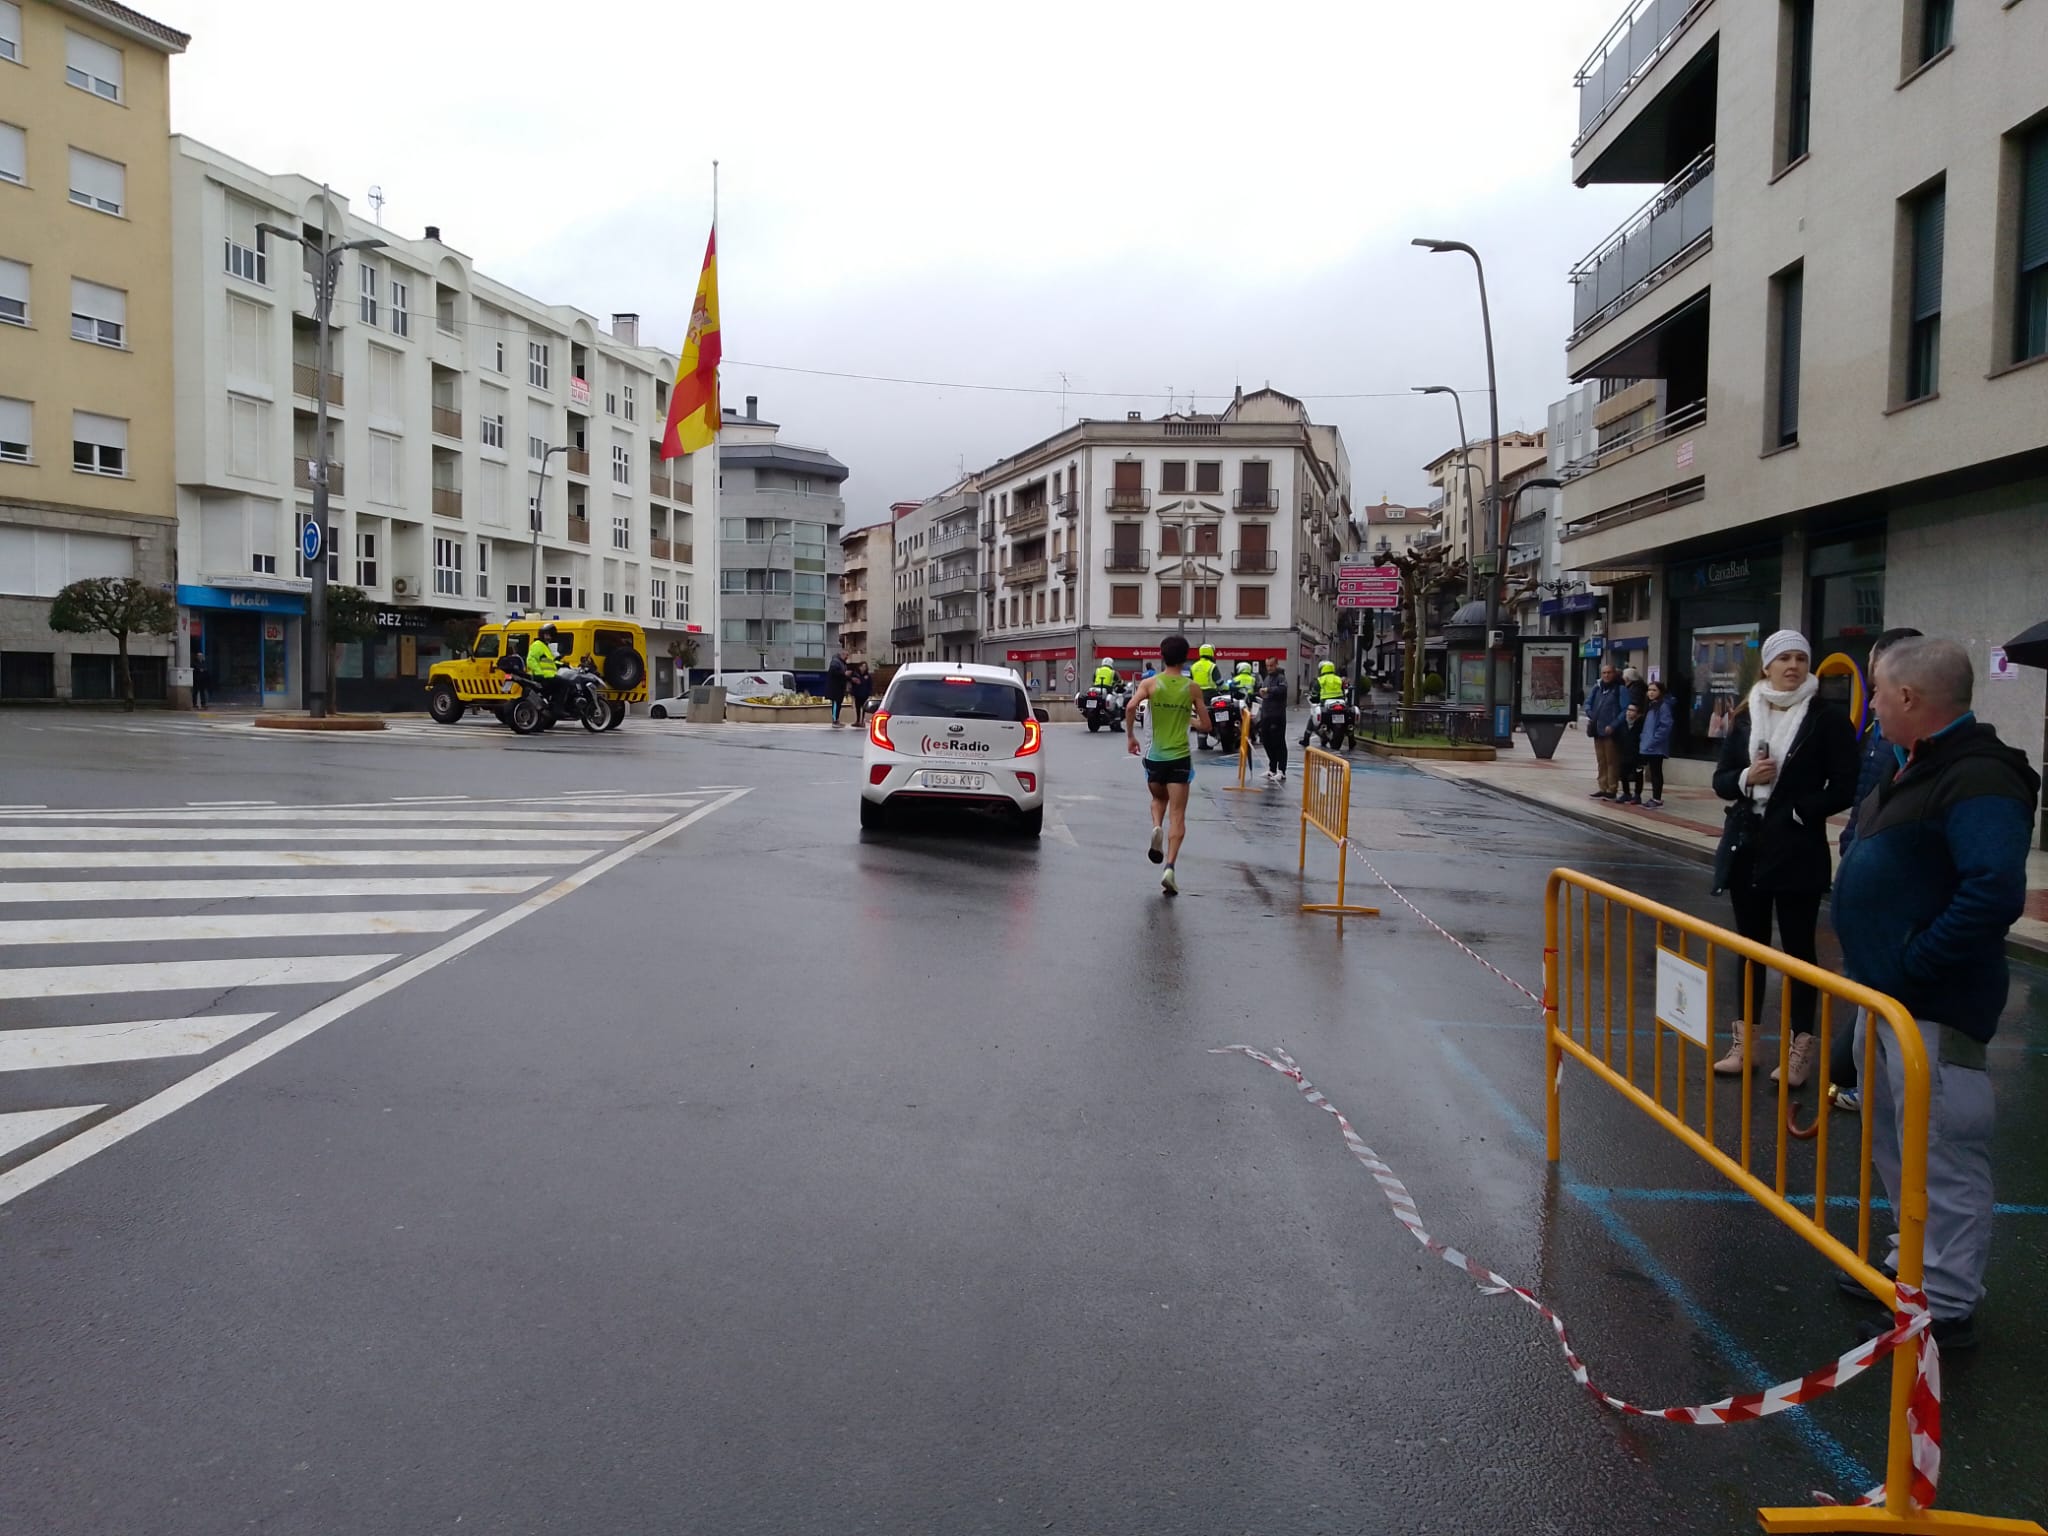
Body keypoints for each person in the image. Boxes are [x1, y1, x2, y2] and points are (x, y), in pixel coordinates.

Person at [1831, 637, 2038, 1349]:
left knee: (1946, 1148)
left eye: (1880, 696)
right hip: (1889, 996)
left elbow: (1992, 891)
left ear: (1911, 699)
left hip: (1933, 1003)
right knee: (1897, 1141)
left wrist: (1917, 962)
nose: (1874, 709)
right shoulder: (1914, 764)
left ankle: (1945, 1303)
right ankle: (1909, 1267)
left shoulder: (1981, 777)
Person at [1709, 629, 1859, 1088]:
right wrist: (1746, 778)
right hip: (1747, 845)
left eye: (1800, 658)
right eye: (1784, 659)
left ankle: (1800, 1050)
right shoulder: (1744, 715)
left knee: (1799, 953)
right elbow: (1720, 780)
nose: (1793, 666)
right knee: (1750, 947)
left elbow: (1845, 785)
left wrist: (1799, 808)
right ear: (1767, 666)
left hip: (1797, 848)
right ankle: (1744, 1045)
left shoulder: (1826, 718)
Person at [1125, 634, 1212, 897]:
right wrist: (1190, 721)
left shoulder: (1151, 684)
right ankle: (1170, 867)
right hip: (1179, 759)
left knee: (1157, 798)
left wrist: (1130, 736)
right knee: (1178, 814)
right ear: (1186, 658)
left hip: (1155, 757)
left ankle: (1155, 827)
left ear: (1161, 656)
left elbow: (1130, 706)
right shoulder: (1191, 688)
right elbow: (1207, 725)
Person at [1583, 662, 1628, 799]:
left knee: (1612, 761)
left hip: (1611, 732)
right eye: (1604, 673)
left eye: (1609, 672)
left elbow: (1625, 709)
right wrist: (1591, 713)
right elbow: (1587, 703)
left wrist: (1613, 725)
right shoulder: (1597, 688)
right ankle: (1602, 786)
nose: (1606, 675)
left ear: (1614, 674)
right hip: (1598, 730)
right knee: (1601, 760)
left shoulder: (1620, 689)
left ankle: (1612, 788)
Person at [1636, 679, 1674, 808]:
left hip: (1656, 746)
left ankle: (1657, 798)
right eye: (1649, 690)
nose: (1651, 693)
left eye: (1654, 690)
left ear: (1660, 692)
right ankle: (1654, 797)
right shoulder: (1651, 705)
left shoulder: (1663, 706)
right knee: (1652, 771)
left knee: (1656, 772)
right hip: (1648, 744)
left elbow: (1665, 726)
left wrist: (1654, 740)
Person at [1257, 663, 1289, 783]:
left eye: (1271, 665)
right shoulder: (1267, 678)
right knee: (1266, 741)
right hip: (1266, 714)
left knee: (1278, 742)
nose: (1269, 668)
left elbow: (1282, 689)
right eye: (1267, 666)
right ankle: (1272, 768)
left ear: (1276, 665)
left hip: (1277, 715)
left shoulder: (1281, 677)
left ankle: (1281, 771)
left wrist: (1269, 690)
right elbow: (1264, 692)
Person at [1301, 660, 1345, 746]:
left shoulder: (1320, 680)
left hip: (1326, 703)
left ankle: (1306, 739)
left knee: (1312, 717)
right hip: (1340, 703)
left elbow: (1315, 694)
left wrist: (1313, 698)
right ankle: (1351, 739)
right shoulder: (1338, 679)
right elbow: (1343, 692)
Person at [526, 623, 566, 714]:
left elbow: (549, 661)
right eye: (547, 635)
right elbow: (531, 660)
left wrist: (562, 664)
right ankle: (558, 709)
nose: (549, 637)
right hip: (545, 676)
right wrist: (539, 673)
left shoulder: (545, 646)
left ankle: (551, 707)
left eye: (550, 635)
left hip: (548, 675)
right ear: (542, 634)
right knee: (564, 684)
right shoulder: (538, 645)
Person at [1189, 644, 1220, 748]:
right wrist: (1226, 688)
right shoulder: (1212, 666)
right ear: (1211, 652)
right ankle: (1216, 731)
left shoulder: (1194, 666)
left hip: (1196, 695)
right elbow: (1219, 682)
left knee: (1200, 717)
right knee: (1216, 713)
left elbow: (1190, 681)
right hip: (1211, 694)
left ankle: (1202, 743)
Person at [1617, 702, 1645, 804]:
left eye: (1632, 710)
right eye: (1628, 710)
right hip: (1625, 753)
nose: (1629, 712)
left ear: (1638, 713)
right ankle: (1626, 793)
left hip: (1637, 754)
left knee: (1638, 774)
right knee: (1623, 774)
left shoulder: (1641, 724)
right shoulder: (1623, 723)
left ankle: (1637, 795)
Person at [825, 649, 849, 727]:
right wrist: (844, 673)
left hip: (840, 687)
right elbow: (833, 672)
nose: (847, 657)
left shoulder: (842, 663)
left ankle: (837, 719)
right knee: (835, 704)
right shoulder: (835, 662)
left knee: (838, 704)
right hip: (835, 688)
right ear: (842, 654)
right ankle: (834, 721)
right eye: (846, 655)